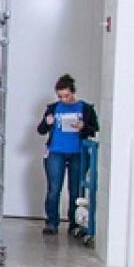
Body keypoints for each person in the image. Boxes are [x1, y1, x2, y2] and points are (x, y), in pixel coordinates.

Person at [36, 74, 99, 235]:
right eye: (60, 96)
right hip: (56, 152)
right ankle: (51, 222)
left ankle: (75, 223)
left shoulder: (85, 108)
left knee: (76, 190)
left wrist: (83, 126)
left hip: (78, 153)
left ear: (73, 92)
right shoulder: (53, 108)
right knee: (54, 189)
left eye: (66, 95)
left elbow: (94, 129)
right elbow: (41, 130)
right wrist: (46, 122)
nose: (63, 99)